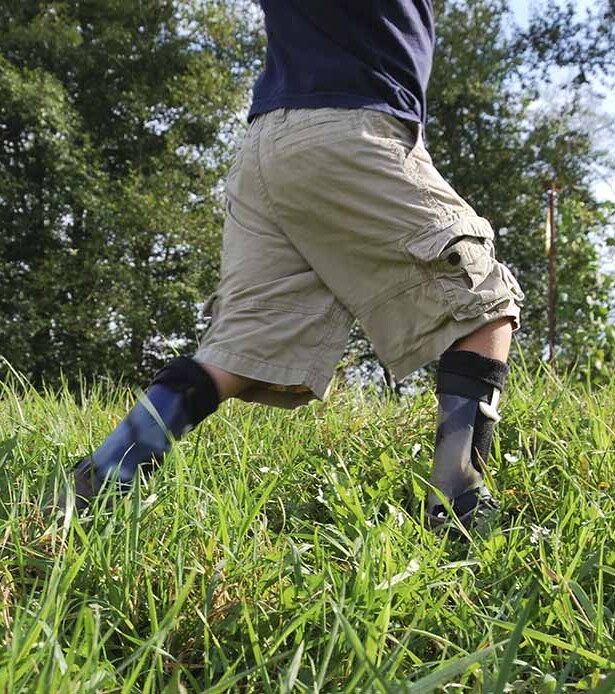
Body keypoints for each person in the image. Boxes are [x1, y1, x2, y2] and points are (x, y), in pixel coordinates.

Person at [54, 0, 523, 529]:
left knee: (238, 352)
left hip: (267, 147)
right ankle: (459, 512)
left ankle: (91, 489)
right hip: (352, 127)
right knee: (482, 299)